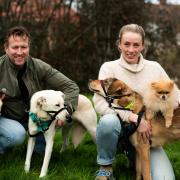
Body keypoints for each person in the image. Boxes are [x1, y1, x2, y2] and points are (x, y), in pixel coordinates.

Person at [93, 24, 175, 180]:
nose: (131, 50)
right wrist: (133, 118)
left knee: (165, 178)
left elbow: (173, 94)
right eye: (126, 44)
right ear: (119, 45)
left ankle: (134, 159)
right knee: (108, 122)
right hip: (117, 132)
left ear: (142, 46)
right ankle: (106, 166)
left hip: (147, 136)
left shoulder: (155, 68)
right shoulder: (108, 68)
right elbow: (100, 104)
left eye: (136, 45)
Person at [0, 26, 79, 154]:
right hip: (7, 118)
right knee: (16, 136)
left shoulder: (38, 66)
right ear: (6, 48)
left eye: (24, 47)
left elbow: (71, 86)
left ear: (29, 48)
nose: (20, 52)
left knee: (40, 153)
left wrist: (66, 110)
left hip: (36, 117)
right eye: (15, 47)